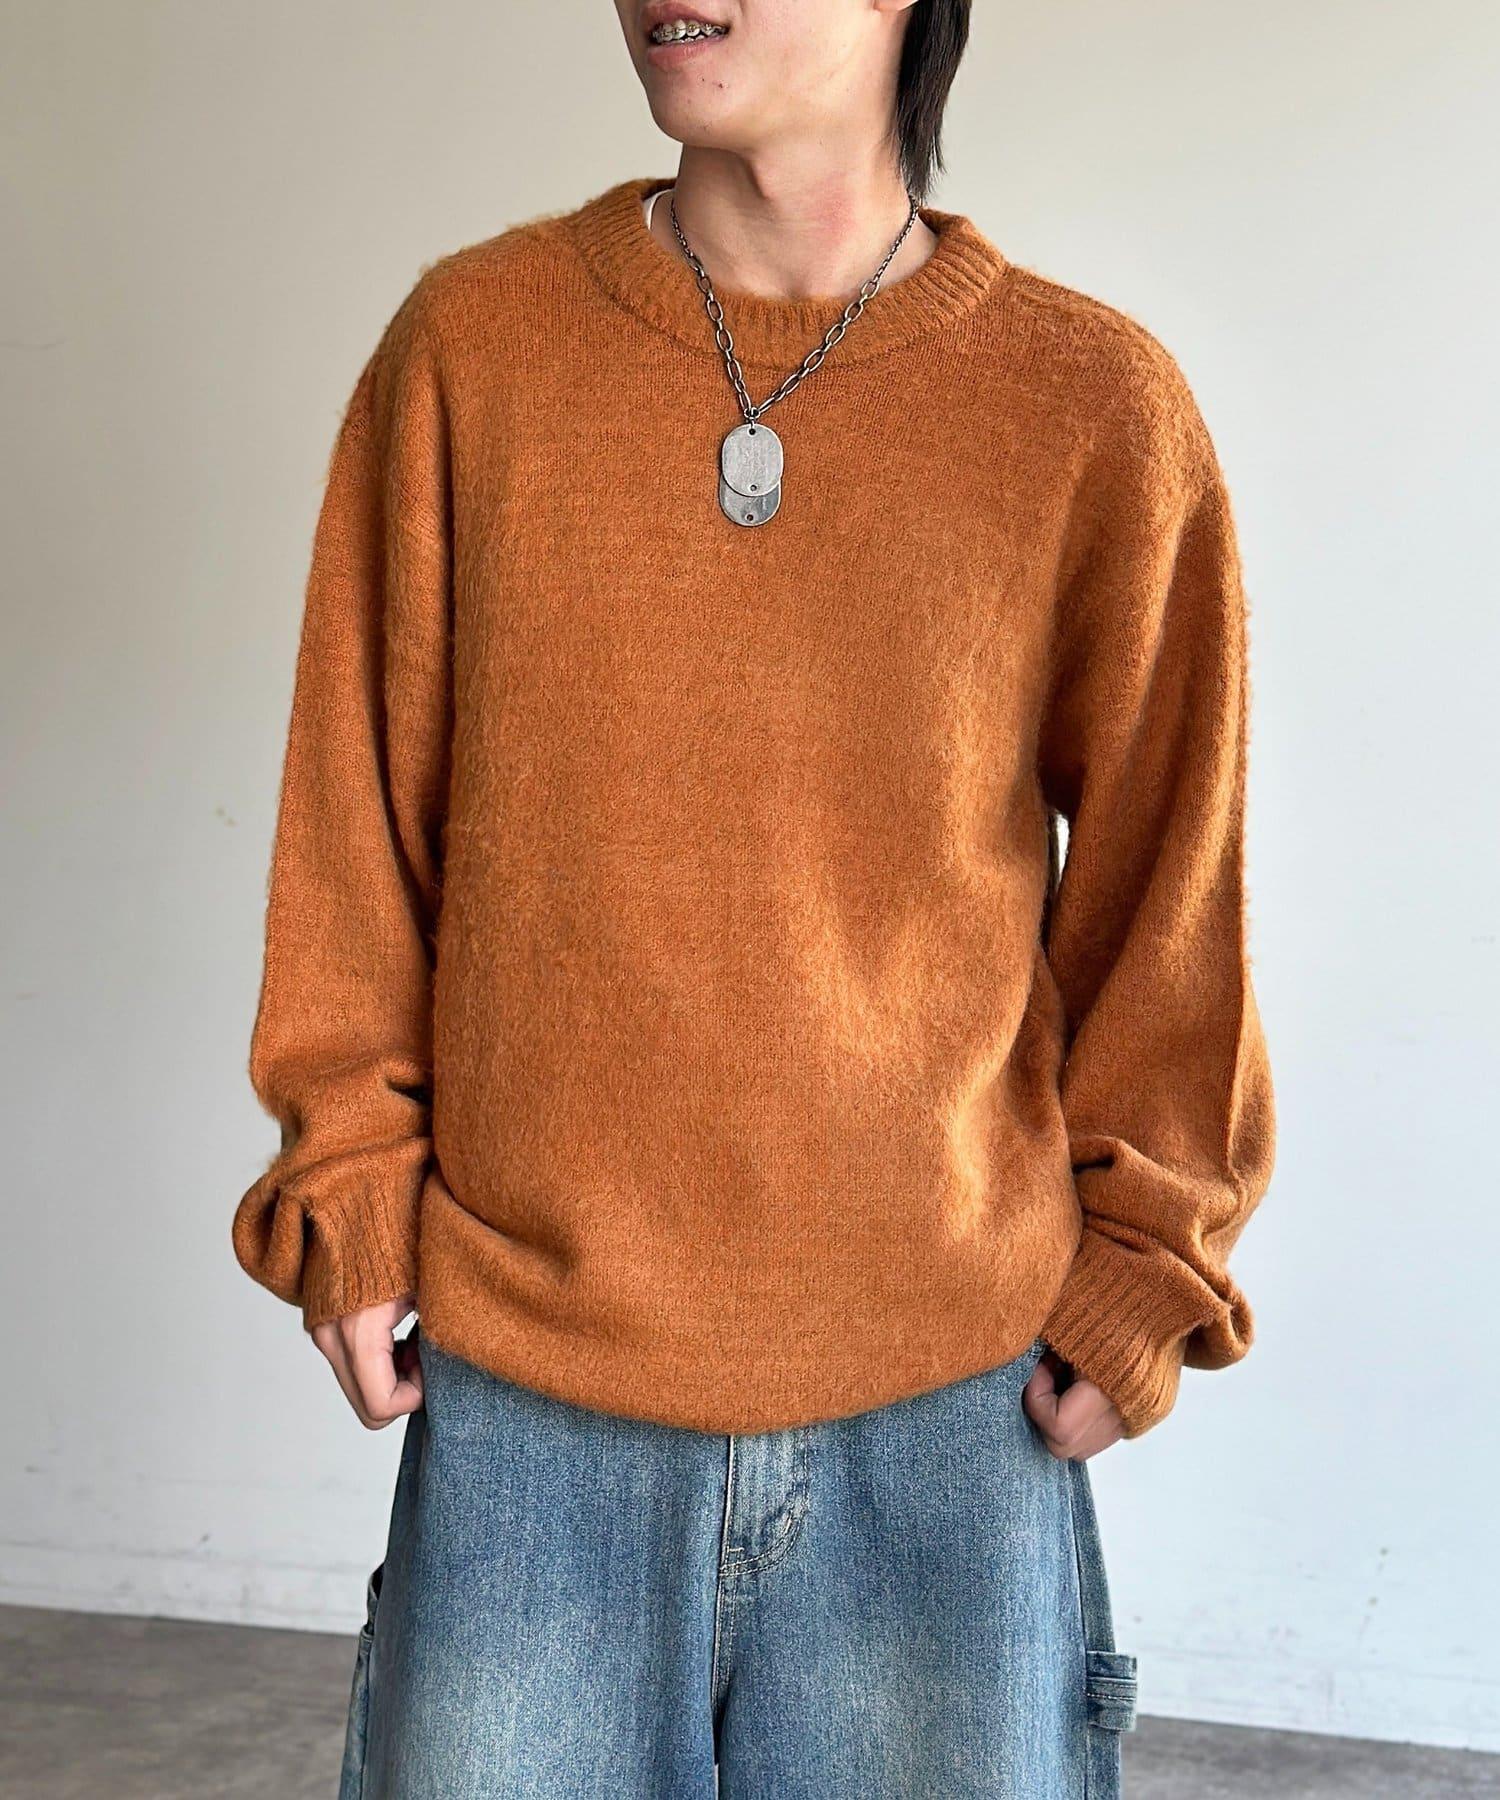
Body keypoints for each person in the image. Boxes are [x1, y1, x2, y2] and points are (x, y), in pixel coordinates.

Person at [231, 1, 1276, 1793]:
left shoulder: (1090, 405)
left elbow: (1168, 888)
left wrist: (1149, 1264)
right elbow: (357, 820)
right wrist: (347, 1181)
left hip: (952, 1412)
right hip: (533, 1405)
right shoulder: (473, 352)